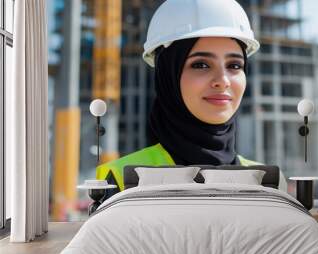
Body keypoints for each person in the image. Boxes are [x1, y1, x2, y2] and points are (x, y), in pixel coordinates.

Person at [96, 0, 287, 194]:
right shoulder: (121, 180)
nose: (223, 81)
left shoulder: (267, 181)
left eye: (235, 66)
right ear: (168, 75)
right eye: (201, 65)